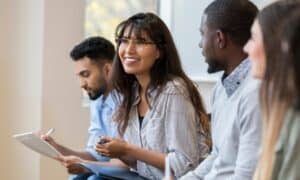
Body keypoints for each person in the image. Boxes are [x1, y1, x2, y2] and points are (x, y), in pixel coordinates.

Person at [94, 12, 211, 180]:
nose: (128, 50)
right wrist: (117, 151)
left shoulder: (174, 91)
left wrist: (127, 149)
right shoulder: (130, 92)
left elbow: (184, 163)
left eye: (140, 42)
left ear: (159, 52)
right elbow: (142, 165)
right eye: (124, 41)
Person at [180, 0, 261, 179]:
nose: (200, 44)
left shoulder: (256, 93)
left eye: (202, 34)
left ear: (219, 38)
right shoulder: (221, 88)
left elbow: (247, 176)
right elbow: (218, 156)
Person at [41, 36, 120, 180]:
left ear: (108, 69)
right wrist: (56, 147)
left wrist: (85, 165)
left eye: (85, 75)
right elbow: (94, 156)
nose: (81, 84)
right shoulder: (97, 101)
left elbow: (126, 165)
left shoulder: (128, 101)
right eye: (79, 76)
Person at [243, 1, 300, 179]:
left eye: (253, 38)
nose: (247, 48)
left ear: (280, 45)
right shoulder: (279, 108)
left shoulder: (295, 120)